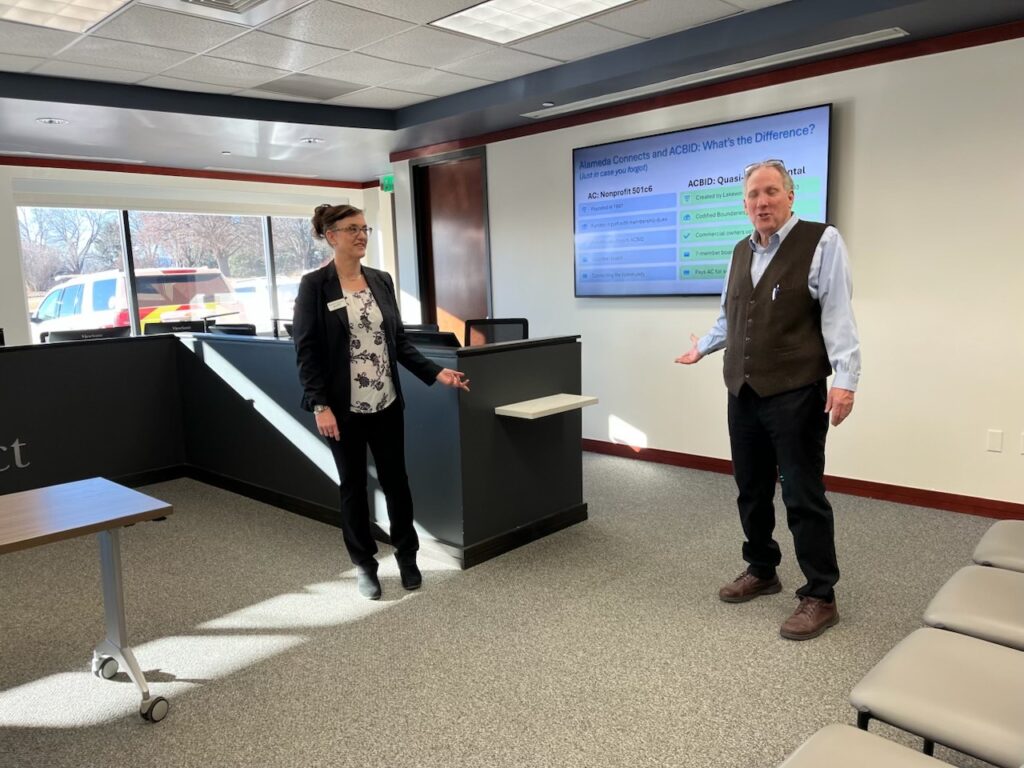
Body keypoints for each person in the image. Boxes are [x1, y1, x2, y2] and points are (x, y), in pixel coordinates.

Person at [675, 159, 860, 640]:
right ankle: (762, 568)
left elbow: (838, 315)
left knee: (802, 493)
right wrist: (703, 347)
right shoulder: (740, 251)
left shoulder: (822, 242)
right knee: (751, 487)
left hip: (796, 391)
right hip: (743, 390)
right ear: (744, 204)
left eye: (771, 192)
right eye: (753, 195)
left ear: (790, 196)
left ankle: (820, 594)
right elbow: (729, 316)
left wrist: (846, 378)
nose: (762, 202)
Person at [292, 204, 469, 600]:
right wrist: (320, 405)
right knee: (353, 488)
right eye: (352, 229)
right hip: (342, 410)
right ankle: (365, 565)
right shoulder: (314, 286)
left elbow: (398, 342)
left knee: (396, 483)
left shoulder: (381, 281)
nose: (361, 235)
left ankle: (407, 556)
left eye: (364, 228)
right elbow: (307, 352)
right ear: (330, 235)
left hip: (386, 401)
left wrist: (435, 372)